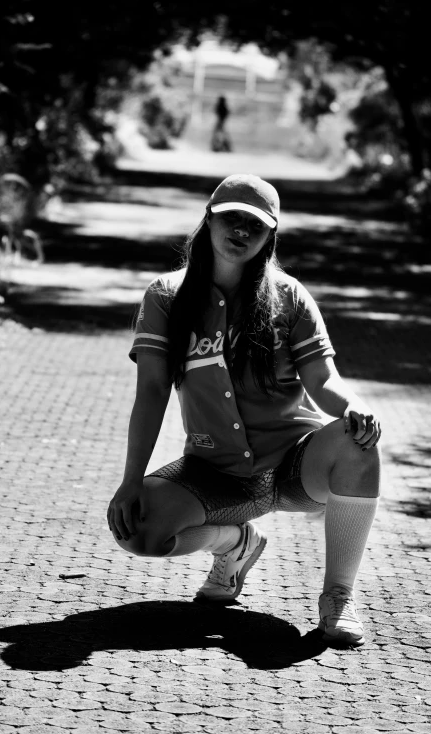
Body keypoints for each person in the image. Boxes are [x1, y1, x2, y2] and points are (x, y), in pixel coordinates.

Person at [107, 174, 381, 646]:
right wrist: (132, 480)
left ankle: (338, 597)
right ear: (209, 219)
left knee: (358, 444)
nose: (241, 230)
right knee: (139, 531)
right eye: (231, 217)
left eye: (254, 225)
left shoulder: (290, 298)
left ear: (270, 235)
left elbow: (323, 381)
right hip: (214, 470)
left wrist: (355, 408)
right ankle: (237, 544)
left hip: (296, 464)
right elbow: (151, 391)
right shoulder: (166, 298)